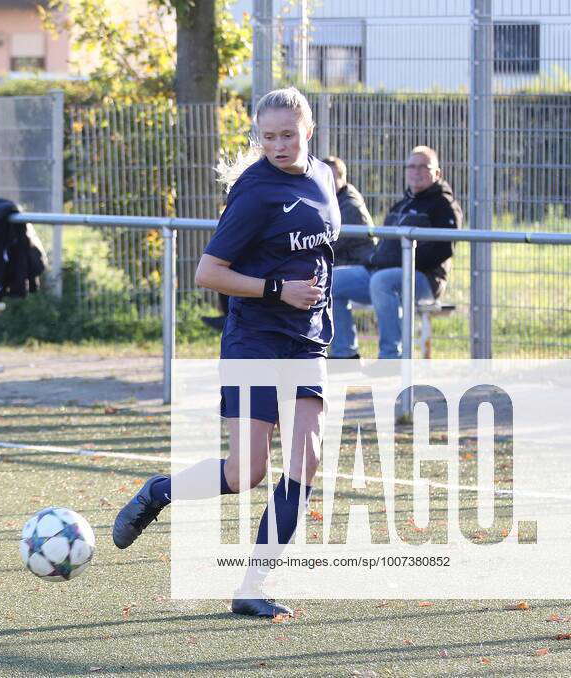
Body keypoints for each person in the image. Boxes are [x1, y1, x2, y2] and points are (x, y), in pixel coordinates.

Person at [112, 87, 339, 617]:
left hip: (307, 338)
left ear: (309, 130)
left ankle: (252, 585)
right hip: (254, 337)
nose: (278, 145)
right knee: (246, 473)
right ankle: (159, 493)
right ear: (257, 136)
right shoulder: (254, 190)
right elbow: (208, 272)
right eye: (268, 136)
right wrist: (278, 290)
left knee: (308, 457)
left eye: (288, 134)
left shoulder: (325, 177)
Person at [329, 146, 461, 359]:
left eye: (423, 167)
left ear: (437, 173)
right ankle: (345, 354)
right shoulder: (402, 204)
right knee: (332, 280)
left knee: (382, 281)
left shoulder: (444, 205)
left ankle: (391, 358)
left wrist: (405, 262)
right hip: (382, 272)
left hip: (424, 279)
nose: (416, 172)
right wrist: (377, 259)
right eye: (411, 166)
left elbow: (444, 249)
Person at [320, 155, 375, 267]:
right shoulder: (333, 200)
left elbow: (330, 245)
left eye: (330, 178)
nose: (325, 183)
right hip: (343, 262)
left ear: (342, 178)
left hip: (359, 265)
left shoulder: (350, 206)